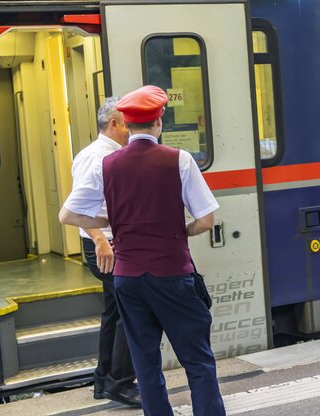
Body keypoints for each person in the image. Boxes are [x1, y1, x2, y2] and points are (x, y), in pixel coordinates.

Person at [59, 85, 226, 416]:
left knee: (146, 366)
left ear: (127, 123)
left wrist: (115, 222)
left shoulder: (105, 164)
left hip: (128, 278)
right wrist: (181, 230)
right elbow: (206, 220)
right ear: (159, 121)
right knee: (197, 360)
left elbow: (68, 215)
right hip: (172, 275)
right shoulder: (179, 160)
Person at [59, 98, 140, 408]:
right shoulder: (96, 158)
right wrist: (99, 239)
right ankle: (120, 383)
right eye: (127, 122)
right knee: (129, 313)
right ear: (114, 124)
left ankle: (104, 379)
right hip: (105, 247)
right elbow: (77, 208)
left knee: (114, 312)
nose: (131, 128)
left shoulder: (111, 154)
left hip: (109, 244)